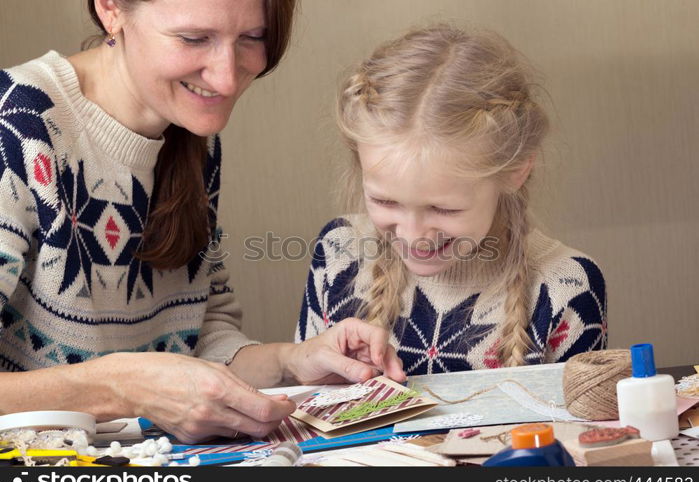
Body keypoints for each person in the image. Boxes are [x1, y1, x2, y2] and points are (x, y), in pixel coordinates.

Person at [0, 0, 404, 444]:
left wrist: (293, 361)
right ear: (111, 9)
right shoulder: (16, 128)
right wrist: (124, 388)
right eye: (194, 39)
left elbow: (194, 339)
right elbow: (151, 383)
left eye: (252, 38)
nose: (228, 77)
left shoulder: (190, 135)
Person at [296, 25, 608, 375]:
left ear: (515, 171)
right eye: (385, 202)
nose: (414, 236)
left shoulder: (565, 286)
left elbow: (580, 424)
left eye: (443, 209)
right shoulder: (338, 254)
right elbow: (305, 413)